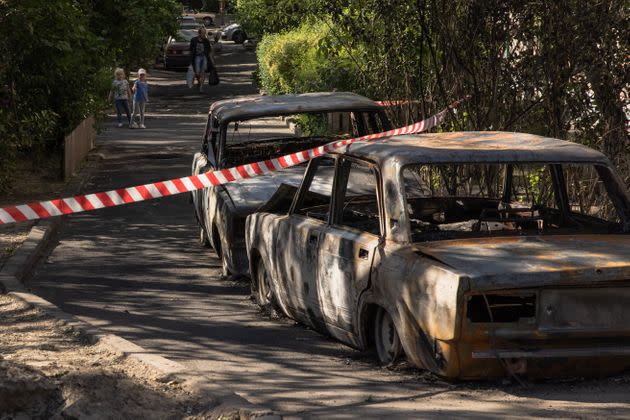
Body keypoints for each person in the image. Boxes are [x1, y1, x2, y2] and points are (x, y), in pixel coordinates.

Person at [189, 27, 212, 92]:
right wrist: (191, 59)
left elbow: (209, 51)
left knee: (203, 72)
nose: (204, 34)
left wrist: (211, 60)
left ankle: (201, 87)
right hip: (197, 57)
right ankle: (199, 81)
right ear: (199, 33)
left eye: (205, 33)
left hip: (204, 57)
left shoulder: (206, 41)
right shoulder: (194, 40)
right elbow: (191, 50)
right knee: (197, 72)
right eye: (203, 33)